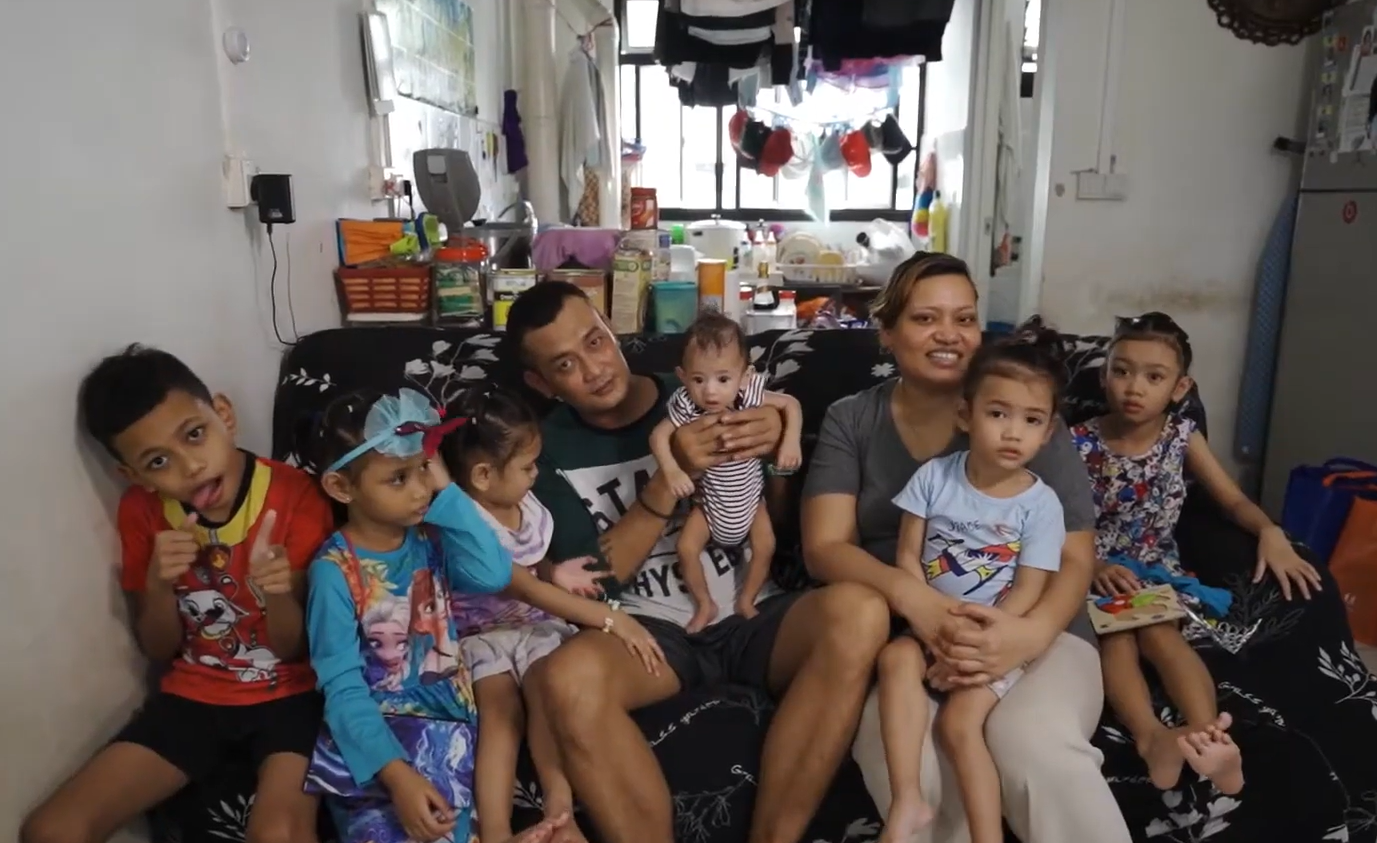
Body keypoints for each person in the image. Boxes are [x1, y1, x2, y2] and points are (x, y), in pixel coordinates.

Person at [504, 280, 891, 843]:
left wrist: (779, 453)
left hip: (751, 609)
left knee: (861, 612)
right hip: (650, 631)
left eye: (595, 341)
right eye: (565, 364)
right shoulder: (544, 453)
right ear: (541, 383)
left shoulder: (701, 387)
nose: (594, 368)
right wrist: (666, 482)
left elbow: (780, 530)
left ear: (612, 329)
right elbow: (595, 583)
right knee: (567, 680)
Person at [800, 252, 1134, 843]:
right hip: (913, 636)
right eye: (927, 319)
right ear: (887, 333)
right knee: (916, 766)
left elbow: (1077, 556)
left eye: (965, 318)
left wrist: (1025, 636)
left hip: (1042, 629)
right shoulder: (853, 419)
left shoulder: (1023, 415)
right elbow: (824, 547)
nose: (949, 335)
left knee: (1032, 745)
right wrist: (915, 601)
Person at [23, 345, 334, 843]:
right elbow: (159, 648)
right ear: (135, 476)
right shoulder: (141, 512)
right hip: (195, 693)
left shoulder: (295, 495)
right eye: (159, 461)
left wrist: (276, 590)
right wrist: (159, 583)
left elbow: (294, 648)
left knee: (278, 833)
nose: (190, 466)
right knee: (52, 829)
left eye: (195, 435)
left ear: (224, 415)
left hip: (292, 693)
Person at [1071, 311, 1322, 795]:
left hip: (1155, 569)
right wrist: (1095, 566)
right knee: (1117, 637)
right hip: (1092, 570)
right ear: (1104, 376)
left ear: (1180, 387)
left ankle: (1208, 737)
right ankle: (1152, 737)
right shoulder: (1076, 441)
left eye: (1154, 376)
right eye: (1121, 371)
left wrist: (1270, 530)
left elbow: (1230, 500)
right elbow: (1049, 516)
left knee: (1161, 633)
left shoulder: (1181, 438)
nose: (1133, 387)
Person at [437, 385, 667, 843]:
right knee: (501, 715)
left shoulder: (525, 505)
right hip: (482, 632)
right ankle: (497, 831)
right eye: (526, 467)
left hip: (535, 623)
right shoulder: (466, 524)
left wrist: (554, 570)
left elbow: (532, 569)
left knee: (548, 696)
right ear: (482, 475)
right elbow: (520, 584)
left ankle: (559, 812)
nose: (535, 474)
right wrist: (610, 618)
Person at [880, 324, 1068, 843]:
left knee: (959, 725)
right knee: (893, 660)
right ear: (966, 415)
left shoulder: (1040, 503)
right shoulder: (934, 478)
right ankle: (908, 801)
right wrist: (928, 630)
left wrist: (982, 641)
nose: (1013, 433)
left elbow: (1031, 588)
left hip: (994, 637)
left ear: (1048, 432)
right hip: (929, 626)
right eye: (998, 414)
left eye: (1031, 421)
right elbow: (908, 557)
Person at [305, 388, 514, 843]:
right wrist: (397, 777)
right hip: (379, 752)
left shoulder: (431, 540)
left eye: (422, 469)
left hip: (451, 738)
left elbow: (493, 572)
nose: (420, 488)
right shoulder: (333, 573)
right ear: (342, 487)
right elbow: (341, 687)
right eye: (398, 478)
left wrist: (444, 486)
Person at [648, 312, 804, 632]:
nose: (710, 393)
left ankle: (747, 600)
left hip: (751, 502)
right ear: (681, 375)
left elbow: (791, 405)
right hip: (709, 506)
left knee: (765, 546)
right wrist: (673, 471)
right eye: (698, 379)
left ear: (744, 377)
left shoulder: (750, 396)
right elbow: (658, 435)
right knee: (685, 548)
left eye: (723, 379)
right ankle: (705, 604)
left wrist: (790, 443)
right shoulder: (686, 406)